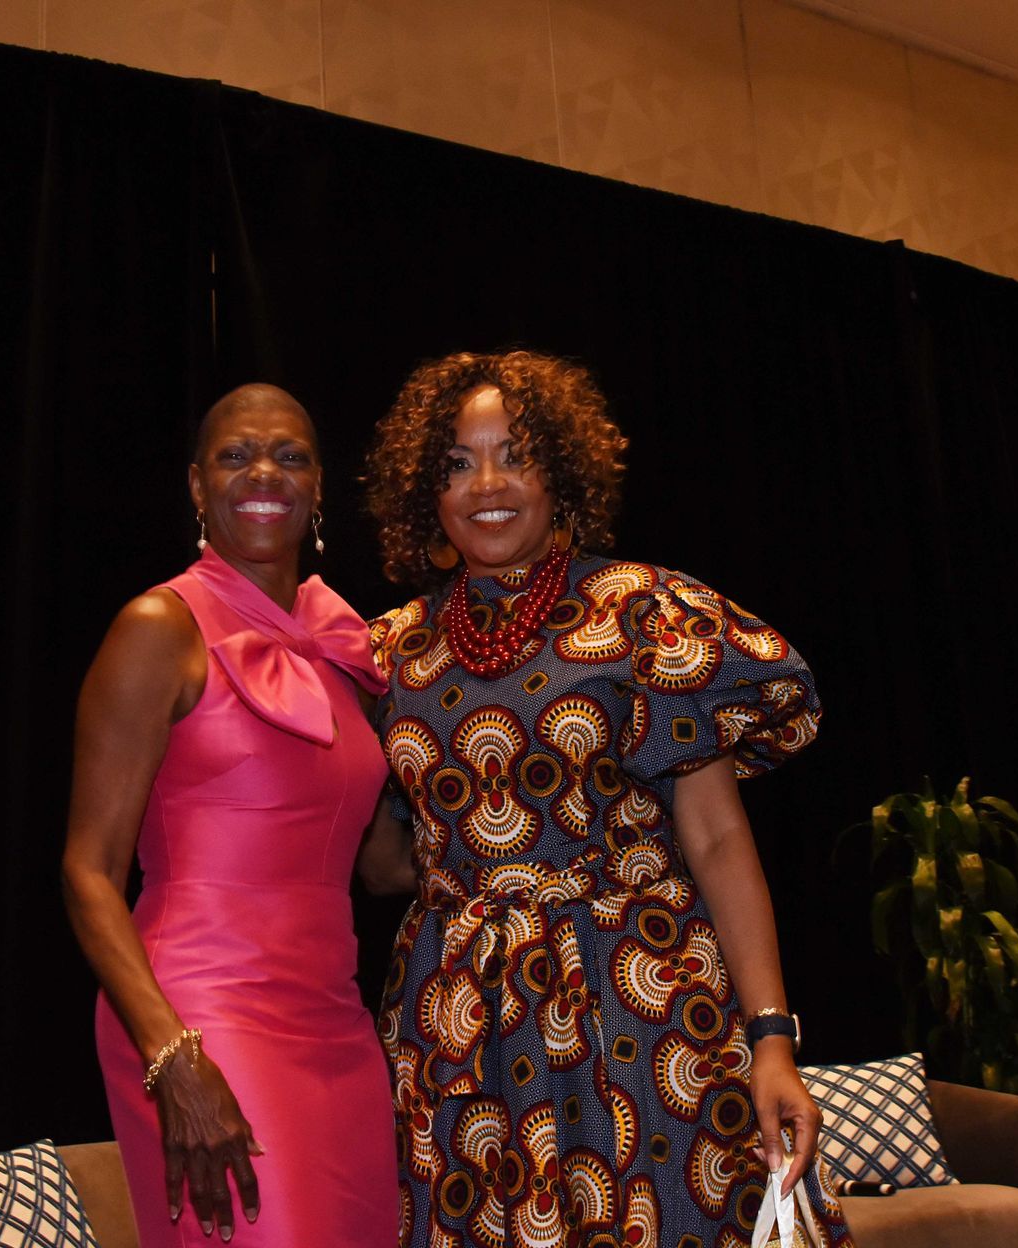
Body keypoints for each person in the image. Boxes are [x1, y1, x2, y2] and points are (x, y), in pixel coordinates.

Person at [355, 351, 855, 1247]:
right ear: (425, 494)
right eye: (457, 465)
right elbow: (385, 857)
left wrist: (772, 1036)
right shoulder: (387, 653)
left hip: (639, 1000)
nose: (488, 485)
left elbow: (716, 841)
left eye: (517, 455)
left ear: (565, 475)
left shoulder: (643, 614)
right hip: (463, 1031)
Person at [62, 384, 398, 1247]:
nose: (264, 473)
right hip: (201, 1015)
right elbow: (88, 873)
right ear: (196, 485)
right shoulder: (157, 626)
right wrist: (170, 1056)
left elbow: (383, 868)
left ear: (319, 486)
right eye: (235, 454)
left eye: (290, 456)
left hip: (336, 1019)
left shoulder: (345, 647)